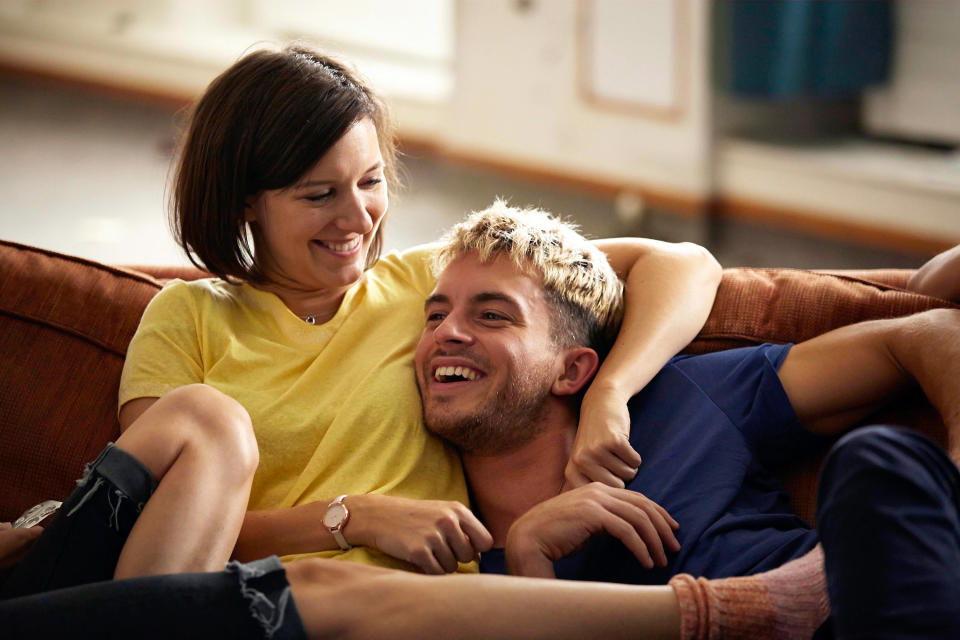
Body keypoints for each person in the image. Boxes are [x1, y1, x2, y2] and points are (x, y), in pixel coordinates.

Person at [117, 42, 723, 572]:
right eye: (320, 194)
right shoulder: (186, 317)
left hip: (427, 604)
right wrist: (354, 518)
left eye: (371, 182)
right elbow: (151, 527)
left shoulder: (430, 288)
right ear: (247, 201)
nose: (358, 219)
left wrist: (609, 393)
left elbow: (685, 265)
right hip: (267, 599)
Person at [413, 201, 960, 638]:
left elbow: (930, 333)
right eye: (434, 316)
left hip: (872, 613)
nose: (447, 333)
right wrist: (531, 558)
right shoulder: (449, 559)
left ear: (572, 368)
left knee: (877, 465)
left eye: (492, 315)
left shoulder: (679, 400)